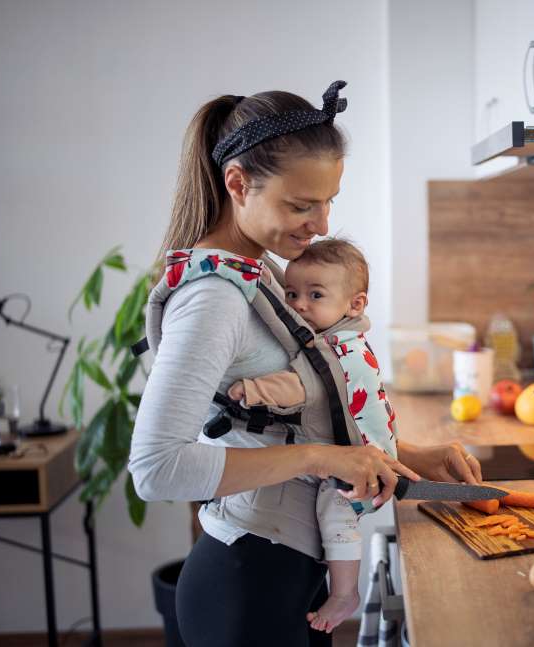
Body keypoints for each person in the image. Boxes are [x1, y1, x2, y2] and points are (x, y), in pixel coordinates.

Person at [128, 81, 483, 647]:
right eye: (301, 205)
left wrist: (407, 454)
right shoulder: (215, 297)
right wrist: (325, 457)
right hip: (246, 584)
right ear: (238, 184)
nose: (320, 223)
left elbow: (302, 419)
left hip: (284, 573)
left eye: (328, 202)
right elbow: (156, 469)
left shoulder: (264, 273)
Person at [226, 237, 395, 634]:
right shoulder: (344, 337)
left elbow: (299, 386)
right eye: (292, 293)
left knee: (334, 510)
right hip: (369, 448)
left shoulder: (338, 350)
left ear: (355, 304)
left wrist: (251, 390)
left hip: (364, 464)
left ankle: (345, 592)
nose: (299, 304)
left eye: (315, 294)